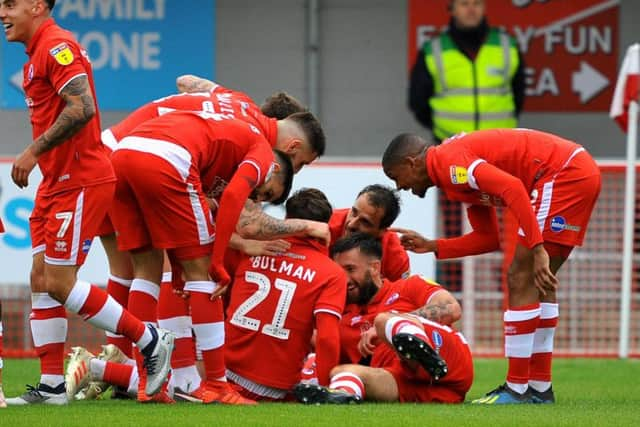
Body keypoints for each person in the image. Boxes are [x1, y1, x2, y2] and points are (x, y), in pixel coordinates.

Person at [1, 0, 173, 405]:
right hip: (55, 183)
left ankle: (149, 339)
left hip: (80, 179)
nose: (2, 12)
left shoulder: (57, 45)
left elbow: (83, 107)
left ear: (38, 6)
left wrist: (32, 152)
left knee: (59, 282)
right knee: (40, 281)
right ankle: (52, 387)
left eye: (10, 4)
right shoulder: (33, 57)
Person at [382, 129, 601, 404]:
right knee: (537, 282)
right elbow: (487, 239)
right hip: (575, 169)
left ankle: (517, 389)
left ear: (411, 162)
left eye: (396, 177)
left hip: (564, 173)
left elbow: (513, 189)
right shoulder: (451, 175)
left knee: (520, 277)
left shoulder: (449, 163)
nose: (400, 186)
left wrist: (537, 247)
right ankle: (539, 388)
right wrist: (434, 246)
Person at [408, 0, 526, 292]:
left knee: (511, 215)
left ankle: (508, 282)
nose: (471, 9)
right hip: (451, 151)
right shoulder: (434, 50)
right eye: (464, 3)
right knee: (453, 221)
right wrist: (444, 134)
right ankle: (455, 284)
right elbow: (418, 101)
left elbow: (518, 94)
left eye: (476, 3)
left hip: (500, 153)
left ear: (484, 8)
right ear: (452, 9)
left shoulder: (506, 45)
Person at [294, 233, 472, 404]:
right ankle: (340, 397)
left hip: (450, 364)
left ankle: (425, 356)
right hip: (410, 385)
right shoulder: (341, 317)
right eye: (338, 272)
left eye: (350, 269)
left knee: (383, 320)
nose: (344, 279)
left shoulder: (408, 286)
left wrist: (388, 326)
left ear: (375, 267)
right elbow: (316, 343)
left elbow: (452, 309)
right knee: (341, 371)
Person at [225, 188, 347, 401]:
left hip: (222, 374)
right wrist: (326, 389)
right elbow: (327, 339)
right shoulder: (332, 273)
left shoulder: (252, 248)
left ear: (286, 219)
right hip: (275, 388)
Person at [329, 185, 410, 281]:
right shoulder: (326, 225)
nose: (351, 224)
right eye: (354, 212)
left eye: (365, 222)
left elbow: (400, 294)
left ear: (382, 231)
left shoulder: (396, 259)